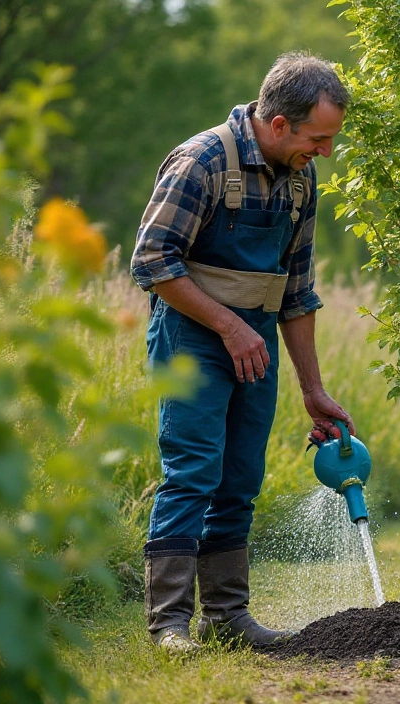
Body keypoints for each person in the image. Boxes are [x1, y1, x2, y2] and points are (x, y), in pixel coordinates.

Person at [130, 52, 354, 652]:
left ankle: (226, 618)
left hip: (254, 340)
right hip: (193, 338)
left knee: (240, 479)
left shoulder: (301, 179)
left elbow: (299, 291)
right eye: (319, 138)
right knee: (192, 474)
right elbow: (151, 262)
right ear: (280, 123)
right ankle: (169, 624)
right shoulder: (201, 162)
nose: (325, 152)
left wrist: (313, 390)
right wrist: (229, 327)